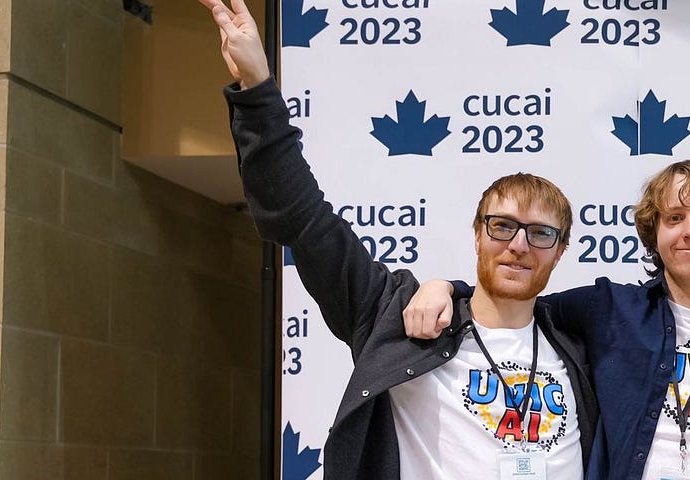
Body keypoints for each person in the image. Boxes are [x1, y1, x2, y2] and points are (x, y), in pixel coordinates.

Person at [199, 0, 600, 478]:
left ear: (560, 250)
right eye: (502, 226)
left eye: (540, 234)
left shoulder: (583, 344)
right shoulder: (395, 318)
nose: (518, 245)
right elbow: (304, 220)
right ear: (477, 234)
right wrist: (258, 90)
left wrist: (449, 285)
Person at [409, 160, 690, 479]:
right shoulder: (610, 310)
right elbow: (516, 295)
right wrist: (445, 287)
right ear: (655, 236)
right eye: (674, 218)